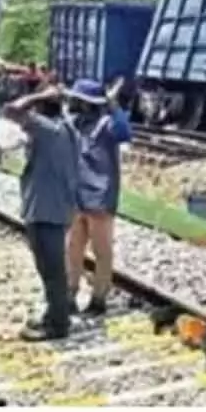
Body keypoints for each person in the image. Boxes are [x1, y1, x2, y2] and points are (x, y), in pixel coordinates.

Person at [1, 85, 78, 341]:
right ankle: (54, 315)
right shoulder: (67, 129)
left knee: (51, 270)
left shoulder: (47, 130)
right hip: (57, 207)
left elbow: (10, 110)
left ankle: (58, 325)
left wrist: (36, 95)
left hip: (43, 209)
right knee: (53, 269)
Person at [65, 78, 131, 316]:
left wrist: (114, 105)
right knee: (73, 248)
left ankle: (99, 298)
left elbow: (124, 132)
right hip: (77, 197)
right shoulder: (74, 125)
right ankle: (69, 293)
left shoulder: (106, 126)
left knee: (102, 251)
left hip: (100, 199)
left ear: (86, 103)